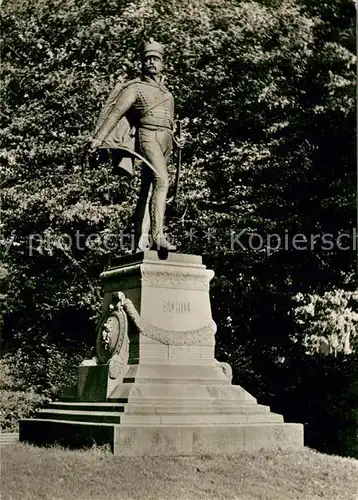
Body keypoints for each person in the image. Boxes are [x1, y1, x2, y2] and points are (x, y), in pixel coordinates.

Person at [89, 39, 185, 251]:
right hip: (147, 136)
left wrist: (178, 140)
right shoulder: (135, 88)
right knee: (162, 181)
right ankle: (158, 237)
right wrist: (98, 138)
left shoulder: (168, 94)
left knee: (149, 188)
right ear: (142, 63)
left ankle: (140, 241)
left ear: (162, 64)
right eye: (147, 59)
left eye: (156, 59)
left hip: (167, 140)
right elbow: (115, 113)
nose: (151, 62)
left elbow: (170, 122)